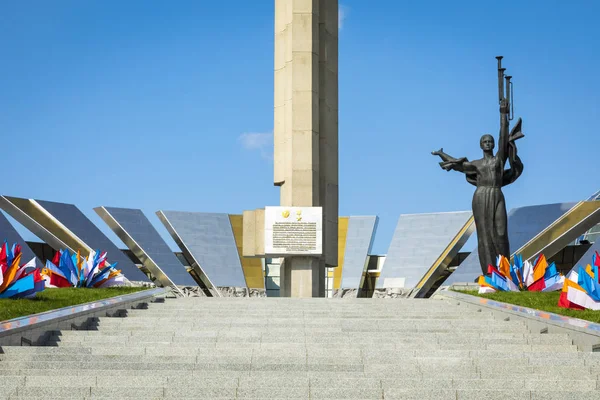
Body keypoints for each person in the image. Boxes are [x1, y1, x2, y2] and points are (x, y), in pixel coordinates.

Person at [432, 98, 523, 276]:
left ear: (494, 145)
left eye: (490, 141)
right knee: (484, 235)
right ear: (481, 145)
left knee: (501, 233)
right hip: (481, 196)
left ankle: (504, 271)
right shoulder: (476, 164)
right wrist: (441, 153)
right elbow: (457, 165)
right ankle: (490, 272)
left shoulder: (498, 160)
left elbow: (504, 137)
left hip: (497, 194)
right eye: (485, 142)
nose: (488, 143)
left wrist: (503, 115)